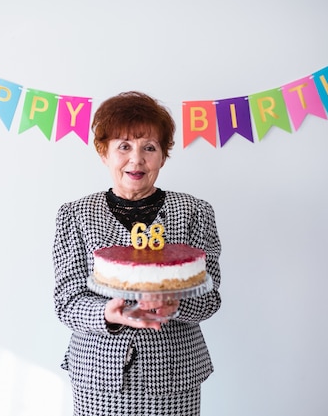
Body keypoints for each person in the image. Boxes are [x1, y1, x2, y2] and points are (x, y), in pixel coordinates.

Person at [53, 91, 221, 416]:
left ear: (163, 155)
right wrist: (108, 313)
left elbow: (210, 296)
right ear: (104, 152)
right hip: (98, 376)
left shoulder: (195, 212)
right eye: (124, 146)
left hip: (174, 376)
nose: (136, 159)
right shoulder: (74, 214)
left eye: (149, 147)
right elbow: (66, 301)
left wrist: (176, 304)